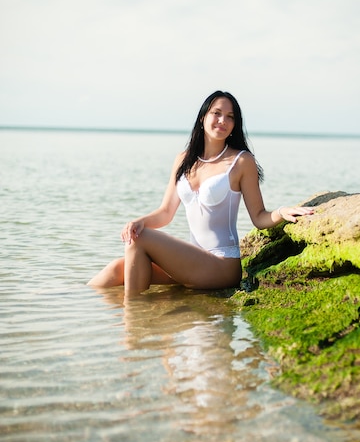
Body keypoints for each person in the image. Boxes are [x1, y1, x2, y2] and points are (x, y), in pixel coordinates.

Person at [88, 91, 314, 295]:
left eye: (230, 116)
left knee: (142, 238)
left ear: (235, 124)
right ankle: (71, 304)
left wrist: (282, 211)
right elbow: (165, 213)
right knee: (116, 269)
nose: (222, 120)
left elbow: (259, 217)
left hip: (222, 264)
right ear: (202, 117)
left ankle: (133, 320)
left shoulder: (241, 161)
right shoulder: (183, 160)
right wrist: (138, 221)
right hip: (193, 261)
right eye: (216, 113)